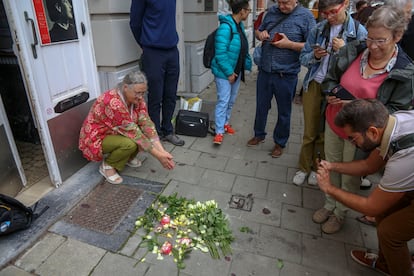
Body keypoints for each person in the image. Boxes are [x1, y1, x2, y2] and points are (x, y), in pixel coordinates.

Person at [313, 6, 414, 234]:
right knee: (331, 165)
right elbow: (331, 77)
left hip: (360, 136)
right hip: (334, 122)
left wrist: (358, 107)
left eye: (381, 40)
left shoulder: (405, 71)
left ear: (397, 36)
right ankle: (329, 204)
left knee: (350, 175)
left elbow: (395, 114)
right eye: (369, 38)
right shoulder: (354, 49)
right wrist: (331, 91)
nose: (372, 46)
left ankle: (340, 213)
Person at [317, 98, 414, 276]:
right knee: (385, 214)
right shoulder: (392, 123)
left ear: (372, 132)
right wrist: (332, 166)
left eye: (354, 139)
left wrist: (329, 188)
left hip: (408, 168)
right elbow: (368, 166)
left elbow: (371, 206)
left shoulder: (403, 159)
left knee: (390, 233)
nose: (353, 144)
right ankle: (387, 263)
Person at [294, 0, 367, 186]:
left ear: (346, 4)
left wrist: (344, 50)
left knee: (326, 132)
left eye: (333, 12)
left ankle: (318, 168)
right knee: (310, 130)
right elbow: (303, 58)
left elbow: (363, 67)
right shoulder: (318, 29)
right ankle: (304, 166)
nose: (329, 17)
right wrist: (315, 56)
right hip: (315, 84)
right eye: (325, 14)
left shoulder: (359, 32)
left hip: (337, 89)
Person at [79, 71, 175, 185]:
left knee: (142, 139)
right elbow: (135, 134)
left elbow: (147, 124)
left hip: (116, 132)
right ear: (125, 87)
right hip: (97, 137)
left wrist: (162, 151)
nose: (140, 97)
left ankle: (127, 157)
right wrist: (159, 156)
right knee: (131, 143)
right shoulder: (113, 102)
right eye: (138, 93)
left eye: (143, 93)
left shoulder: (137, 99)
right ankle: (108, 165)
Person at [247, 0, 316, 158]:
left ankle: (280, 142)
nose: (281, 6)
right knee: (261, 107)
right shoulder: (271, 12)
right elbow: (260, 30)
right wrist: (260, 34)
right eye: (279, 2)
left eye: (286, 2)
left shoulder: (306, 17)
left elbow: (312, 46)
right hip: (265, 71)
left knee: (284, 112)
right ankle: (259, 134)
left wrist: (290, 44)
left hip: (287, 75)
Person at [129, 0, 184, 146]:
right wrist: (146, 44)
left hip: (172, 50)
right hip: (153, 51)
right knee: (155, 96)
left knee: (171, 94)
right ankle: (155, 134)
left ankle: (168, 130)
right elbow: (135, 23)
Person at [211, 0, 252, 145]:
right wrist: (229, 72)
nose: (248, 13)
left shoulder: (239, 26)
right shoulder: (225, 28)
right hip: (225, 73)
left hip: (236, 71)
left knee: (231, 100)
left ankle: (225, 123)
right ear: (241, 10)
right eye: (248, 10)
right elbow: (220, 54)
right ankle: (219, 131)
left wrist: (246, 65)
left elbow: (243, 49)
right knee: (223, 100)